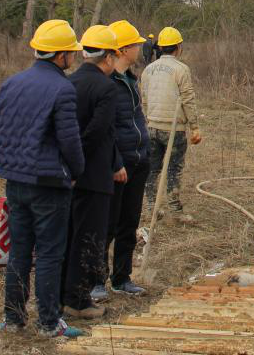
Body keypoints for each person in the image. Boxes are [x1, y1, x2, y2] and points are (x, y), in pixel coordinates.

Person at [0, 19, 85, 338]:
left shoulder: (11, 83)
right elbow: (70, 141)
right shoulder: (62, 89)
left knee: (19, 252)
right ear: (60, 56)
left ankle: (14, 319)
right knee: (48, 254)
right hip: (49, 185)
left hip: (16, 182)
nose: (74, 58)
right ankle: (48, 322)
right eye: (71, 52)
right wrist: (76, 172)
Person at [62, 24, 123, 319]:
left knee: (69, 234)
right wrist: (82, 162)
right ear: (109, 57)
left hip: (67, 174)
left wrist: (68, 164)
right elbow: (97, 132)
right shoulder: (106, 88)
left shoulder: (68, 83)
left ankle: (63, 294)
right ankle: (78, 299)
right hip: (93, 175)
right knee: (90, 237)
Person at [97, 19, 151, 300]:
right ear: (123, 49)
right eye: (136, 44)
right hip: (116, 165)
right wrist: (116, 160)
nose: (140, 47)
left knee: (128, 223)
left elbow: (135, 119)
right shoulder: (107, 83)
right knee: (107, 223)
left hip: (138, 161)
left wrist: (146, 150)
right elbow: (106, 129)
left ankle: (122, 277)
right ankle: (97, 280)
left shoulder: (130, 79)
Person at [141, 26, 203, 212]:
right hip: (174, 129)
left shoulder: (147, 70)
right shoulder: (181, 69)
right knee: (174, 168)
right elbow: (188, 99)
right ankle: (174, 208)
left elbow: (144, 99)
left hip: (151, 126)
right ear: (178, 46)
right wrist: (195, 126)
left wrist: (148, 120)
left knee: (152, 169)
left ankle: (152, 206)